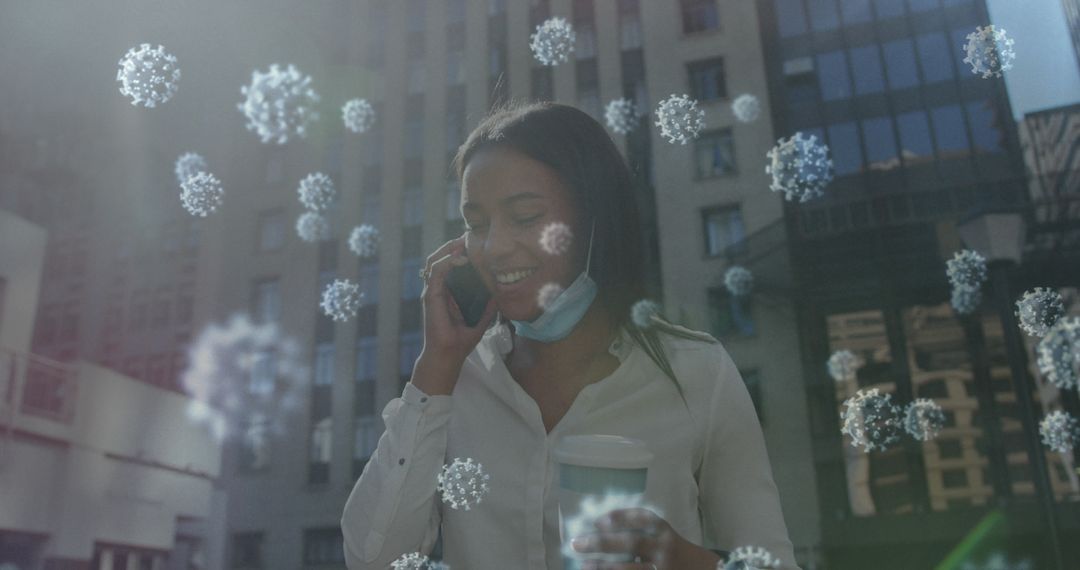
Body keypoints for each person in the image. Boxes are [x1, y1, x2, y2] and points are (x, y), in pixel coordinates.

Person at [341, 101, 800, 570]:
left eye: (525, 217)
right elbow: (373, 562)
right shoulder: (454, 383)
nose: (494, 247)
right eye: (477, 225)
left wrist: (687, 562)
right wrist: (435, 367)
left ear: (594, 219)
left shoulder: (698, 373)